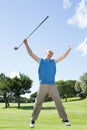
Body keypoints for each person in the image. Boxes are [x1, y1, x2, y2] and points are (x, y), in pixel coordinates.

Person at [23, 39, 72, 128]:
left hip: (52, 85)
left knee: (58, 101)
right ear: (46, 53)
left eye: (51, 54)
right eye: (49, 53)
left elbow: (63, 56)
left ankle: (64, 119)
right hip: (43, 85)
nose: (50, 54)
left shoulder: (54, 61)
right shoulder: (41, 61)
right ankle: (33, 120)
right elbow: (31, 54)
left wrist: (68, 49)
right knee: (38, 102)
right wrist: (26, 44)